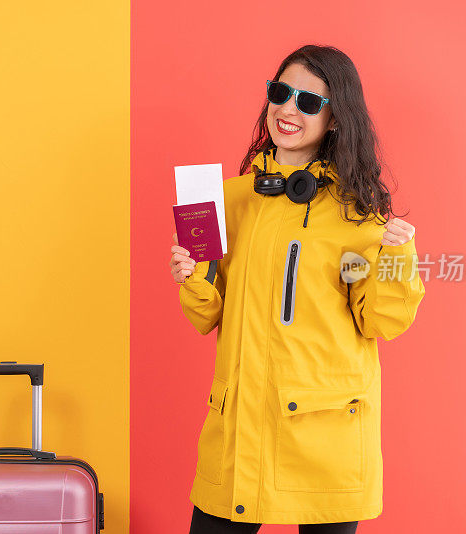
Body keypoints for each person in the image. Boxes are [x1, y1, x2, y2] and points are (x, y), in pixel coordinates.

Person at [169, 45, 427, 533]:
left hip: (324, 434)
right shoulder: (227, 200)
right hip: (240, 429)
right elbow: (206, 316)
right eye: (280, 92)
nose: (288, 109)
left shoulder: (358, 213)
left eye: (309, 101)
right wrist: (193, 278)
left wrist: (397, 258)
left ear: (334, 119)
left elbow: (382, 320)